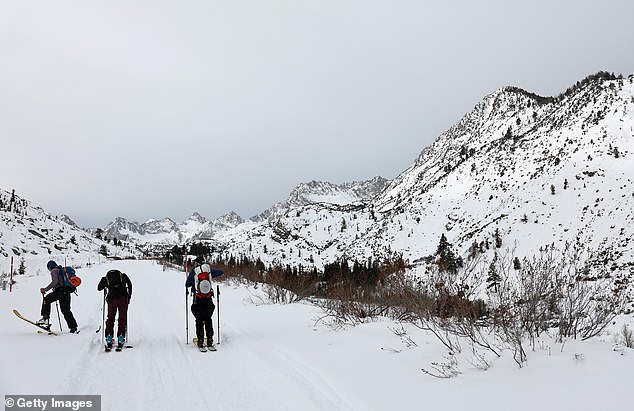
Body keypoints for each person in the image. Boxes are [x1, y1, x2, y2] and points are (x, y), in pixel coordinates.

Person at [186, 256, 223, 350]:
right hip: (208, 298)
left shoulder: (194, 272)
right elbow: (221, 272)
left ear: (197, 263)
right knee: (208, 319)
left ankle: (200, 341)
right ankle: (210, 340)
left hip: (197, 299)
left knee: (199, 320)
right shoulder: (209, 270)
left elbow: (187, 285)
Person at [37, 260, 79, 333]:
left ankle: (45, 318)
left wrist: (45, 289)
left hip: (60, 291)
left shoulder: (54, 271)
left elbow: (55, 281)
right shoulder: (61, 270)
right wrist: (55, 287)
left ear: (50, 267)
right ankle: (73, 327)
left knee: (47, 299)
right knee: (66, 310)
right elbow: (59, 282)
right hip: (67, 292)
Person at [97, 269, 132, 350]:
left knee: (110, 318)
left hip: (112, 299)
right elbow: (130, 285)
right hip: (123, 298)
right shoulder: (124, 276)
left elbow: (99, 288)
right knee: (122, 318)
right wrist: (129, 296)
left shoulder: (105, 278)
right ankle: (121, 337)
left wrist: (105, 283)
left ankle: (109, 337)